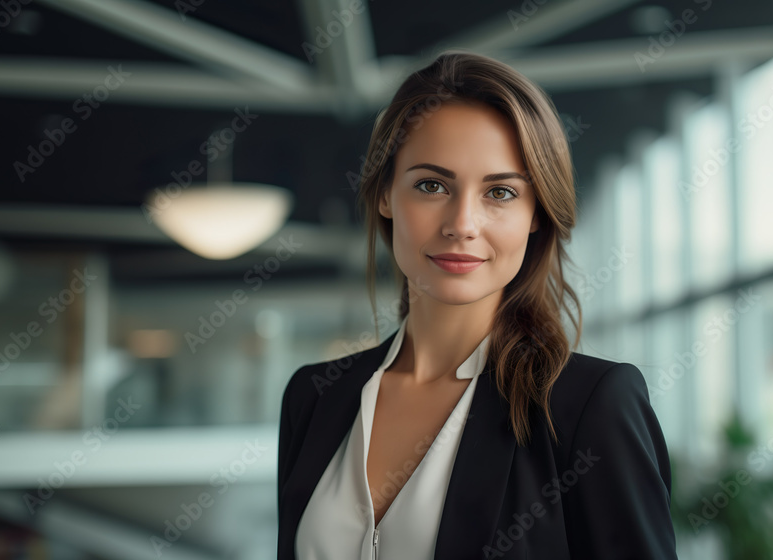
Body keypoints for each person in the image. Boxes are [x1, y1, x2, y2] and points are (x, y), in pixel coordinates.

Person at [277, 50, 677, 559]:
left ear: (536, 214)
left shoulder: (590, 407)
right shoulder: (312, 398)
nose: (462, 223)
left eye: (501, 193)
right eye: (431, 185)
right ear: (384, 195)